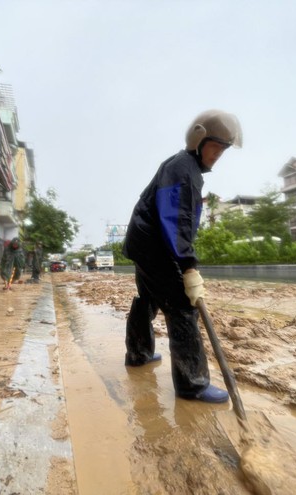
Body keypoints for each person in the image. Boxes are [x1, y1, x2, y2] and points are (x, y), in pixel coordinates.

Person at [122, 109, 242, 403]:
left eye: (222, 151)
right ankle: (193, 384)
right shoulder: (184, 169)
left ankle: (138, 354)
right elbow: (176, 218)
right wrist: (187, 264)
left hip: (145, 243)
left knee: (147, 298)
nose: (217, 155)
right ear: (198, 140)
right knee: (182, 308)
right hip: (154, 245)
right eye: (215, 147)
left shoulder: (181, 166)